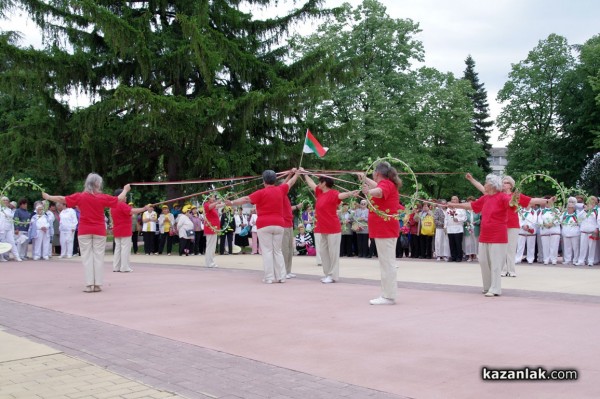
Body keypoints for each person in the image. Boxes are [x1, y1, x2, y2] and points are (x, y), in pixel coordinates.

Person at [447, 174, 548, 297]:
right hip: (485, 235)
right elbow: (472, 205)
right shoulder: (486, 198)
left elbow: (522, 201)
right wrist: (455, 205)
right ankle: (487, 286)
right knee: (483, 261)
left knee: (496, 262)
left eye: (486, 183)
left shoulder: (503, 197)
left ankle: (495, 288)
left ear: (492, 185)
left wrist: (545, 201)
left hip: (498, 235)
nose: (484, 185)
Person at [43, 173, 130, 293]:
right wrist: (125, 190)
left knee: (87, 258)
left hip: (84, 230)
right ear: (97, 184)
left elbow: (62, 199)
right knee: (98, 257)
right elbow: (119, 199)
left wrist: (48, 197)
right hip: (99, 230)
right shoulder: (102, 197)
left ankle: (89, 285)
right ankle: (98, 284)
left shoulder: (80, 196)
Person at [226, 169, 300, 284]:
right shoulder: (280, 190)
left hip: (264, 225)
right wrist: (296, 174)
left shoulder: (260, 193)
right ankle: (281, 276)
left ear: (264, 181)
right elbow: (290, 183)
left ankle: (269, 277)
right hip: (279, 224)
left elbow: (246, 199)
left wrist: (231, 203)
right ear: (275, 180)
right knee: (278, 251)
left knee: (267, 251)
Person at [302, 171, 359, 284]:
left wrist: (351, 193)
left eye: (320, 182)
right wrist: (304, 174)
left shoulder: (333, 193)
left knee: (333, 253)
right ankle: (327, 274)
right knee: (323, 252)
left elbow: (341, 195)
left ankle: (333, 276)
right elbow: (311, 184)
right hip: (321, 227)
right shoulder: (319, 192)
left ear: (324, 183)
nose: (318, 184)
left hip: (332, 228)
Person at [358, 161, 401, 305]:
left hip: (385, 229)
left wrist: (367, 191)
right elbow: (377, 187)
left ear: (377, 173)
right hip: (384, 229)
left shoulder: (386, 184)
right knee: (386, 262)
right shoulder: (386, 183)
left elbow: (379, 191)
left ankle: (388, 296)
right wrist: (364, 178)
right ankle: (388, 294)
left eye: (372, 174)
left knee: (387, 263)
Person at [110, 190, 146, 272]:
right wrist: (144, 208)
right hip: (124, 229)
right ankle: (124, 267)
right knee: (125, 248)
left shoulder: (113, 205)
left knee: (118, 248)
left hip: (117, 229)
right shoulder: (122, 204)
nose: (126, 197)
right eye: (125, 195)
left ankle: (116, 267)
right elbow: (132, 211)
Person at [575, 196, 598, 266]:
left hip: (592, 231)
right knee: (583, 247)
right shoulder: (584, 210)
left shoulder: (597, 210)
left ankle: (590, 261)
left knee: (592, 247)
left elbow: (598, 220)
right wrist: (585, 210)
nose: (591, 203)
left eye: (593, 201)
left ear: (595, 203)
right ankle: (581, 260)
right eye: (590, 201)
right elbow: (578, 217)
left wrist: (597, 228)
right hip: (584, 231)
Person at [203, 194, 224, 268]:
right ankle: (209, 262)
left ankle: (211, 261)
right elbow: (210, 207)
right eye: (212, 197)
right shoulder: (206, 205)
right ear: (208, 198)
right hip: (210, 228)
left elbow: (218, 205)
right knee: (210, 246)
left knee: (213, 246)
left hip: (214, 229)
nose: (214, 198)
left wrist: (225, 203)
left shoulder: (213, 206)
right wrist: (217, 202)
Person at [538, 196, 560, 265]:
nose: (548, 204)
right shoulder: (541, 211)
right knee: (545, 246)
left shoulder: (556, 210)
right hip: (545, 230)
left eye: (550, 202)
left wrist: (553, 223)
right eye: (547, 202)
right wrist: (544, 224)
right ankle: (546, 259)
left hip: (554, 230)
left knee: (554, 246)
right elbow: (539, 220)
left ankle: (553, 259)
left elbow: (559, 219)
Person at [0, 196, 22, 262]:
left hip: (9, 228)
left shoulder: (9, 210)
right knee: (2, 243)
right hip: (2, 229)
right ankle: (2, 257)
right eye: (4, 200)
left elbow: (12, 220)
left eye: (6, 200)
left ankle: (16, 256)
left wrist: (13, 229)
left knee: (12, 242)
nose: (5, 201)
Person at [445, 196, 466, 262]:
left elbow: (465, 218)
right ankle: (453, 256)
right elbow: (446, 218)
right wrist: (445, 226)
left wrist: (458, 219)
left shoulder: (461, 208)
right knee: (451, 243)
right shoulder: (448, 209)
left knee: (458, 243)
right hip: (450, 228)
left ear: (458, 200)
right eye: (452, 199)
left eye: (455, 199)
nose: (453, 200)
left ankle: (459, 257)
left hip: (458, 228)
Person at [561, 200, 580, 265]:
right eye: (568, 207)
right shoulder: (564, 214)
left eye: (571, 207)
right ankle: (567, 260)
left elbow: (580, 223)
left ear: (574, 208)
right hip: (565, 233)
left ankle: (575, 260)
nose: (569, 209)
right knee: (567, 248)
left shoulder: (577, 214)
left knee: (575, 248)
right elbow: (560, 222)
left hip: (575, 233)